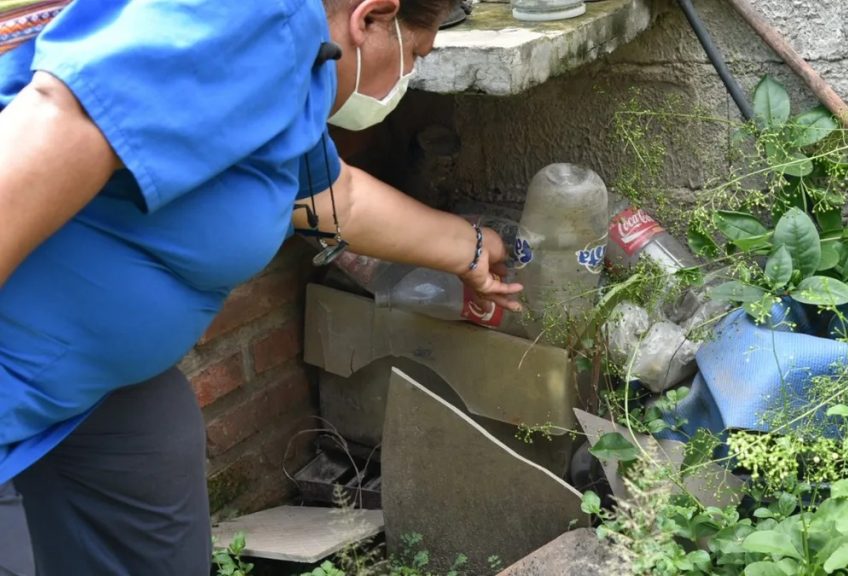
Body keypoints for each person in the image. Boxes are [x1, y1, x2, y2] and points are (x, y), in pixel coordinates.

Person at [0, 0, 522, 573]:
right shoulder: (261, 16)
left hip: (89, 385)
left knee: (157, 443)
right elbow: (58, 120)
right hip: (16, 373)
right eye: (415, 55)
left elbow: (330, 198)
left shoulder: (293, 74)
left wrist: (470, 247)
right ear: (371, 18)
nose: (409, 76)